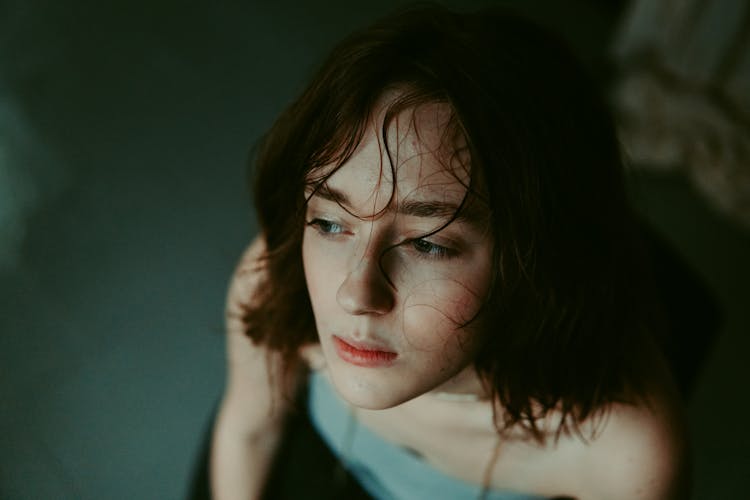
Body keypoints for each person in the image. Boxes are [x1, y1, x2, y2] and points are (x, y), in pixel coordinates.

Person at [209, 5, 689, 499]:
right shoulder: (277, 278)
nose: (354, 294)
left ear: (532, 265)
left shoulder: (625, 449)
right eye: (332, 222)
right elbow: (250, 431)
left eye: (427, 243)